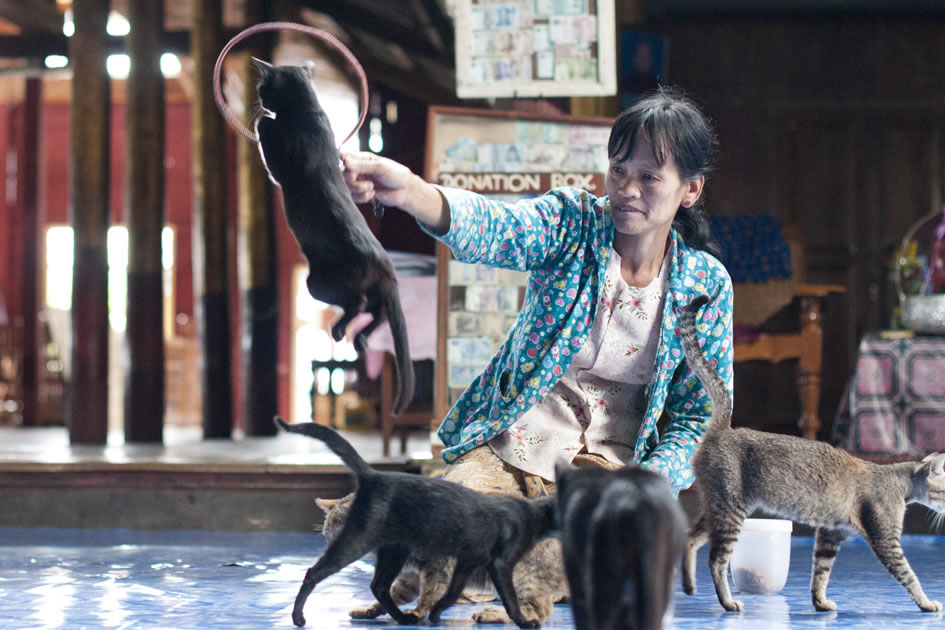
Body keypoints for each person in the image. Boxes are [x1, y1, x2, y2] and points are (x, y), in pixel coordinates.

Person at [342, 87, 733, 501]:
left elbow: (698, 419)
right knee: (454, 528)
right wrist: (410, 192)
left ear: (690, 190)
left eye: (650, 176)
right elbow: (497, 227)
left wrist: (649, 482)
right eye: (619, 169)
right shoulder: (571, 223)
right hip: (515, 444)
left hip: (615, 467)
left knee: (580, 558)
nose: (627, 189)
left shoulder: (705, 286)